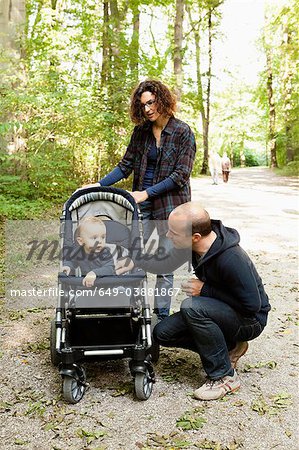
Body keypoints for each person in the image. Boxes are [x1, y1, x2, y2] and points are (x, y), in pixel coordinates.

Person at [116, 202, 271, 401]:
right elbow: (166, 263)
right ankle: (230, 348)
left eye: (173, 232)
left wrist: (205, 290)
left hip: (250, 320)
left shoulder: (231, 258)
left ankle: (224, 376)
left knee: (191, 307)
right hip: (223, 310)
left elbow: (252, 306)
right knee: (162, 333)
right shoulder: (192, 246)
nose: (168, 236)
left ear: (195, 237)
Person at [83, 79, 196, 320]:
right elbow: (125, 166)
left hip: (171, 209)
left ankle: (161, 318)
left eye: (151, 102)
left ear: (163, 100)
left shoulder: (183, 131)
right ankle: (133, 312)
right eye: (143, 104)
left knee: (164, 267)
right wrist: (99, 184)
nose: (147, 109)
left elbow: (181, 175)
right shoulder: (141, 131)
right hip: (140, 209)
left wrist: (146, 192)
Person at [62, 217, 115, 287]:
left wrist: (94, 273)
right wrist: (68, 266)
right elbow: (71, 260)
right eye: (94, 238)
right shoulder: (79, 252)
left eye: (103, 237)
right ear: (81, 241)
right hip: (88, 286)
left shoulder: (104, 253)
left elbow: (109, 268)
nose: (100, 241)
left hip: (107, 287)